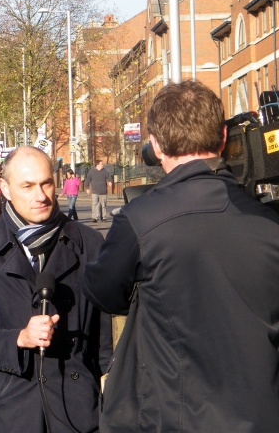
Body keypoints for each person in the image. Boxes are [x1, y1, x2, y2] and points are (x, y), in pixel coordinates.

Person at [83, 80, 279, 432]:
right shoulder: (269, 222)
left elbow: (103, 291)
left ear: (156, 145)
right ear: (223, 136)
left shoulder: (140, 219)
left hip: (174, 416)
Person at [0, 146, 112, 433]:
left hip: (77, 410)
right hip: (8, 412)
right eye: (27, 186)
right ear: (5, 188)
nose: (40, 196)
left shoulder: (90, 244)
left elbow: (103, 337)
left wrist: (109, 398)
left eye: (46, 183)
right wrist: (19, 338)